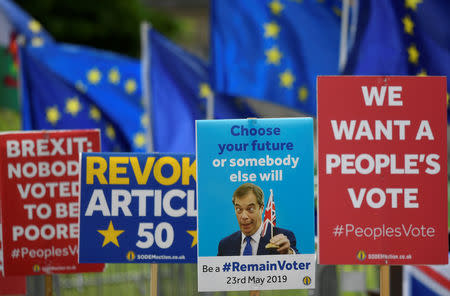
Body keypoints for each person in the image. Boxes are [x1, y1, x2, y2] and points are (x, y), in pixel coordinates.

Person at [217, 183, 298, 256]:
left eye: (250, 209)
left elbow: (300, 266)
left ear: (261, 208)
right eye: (239, 209)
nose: (244, 216)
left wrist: (289, 253)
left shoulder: (283, 238)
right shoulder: (225, 245)